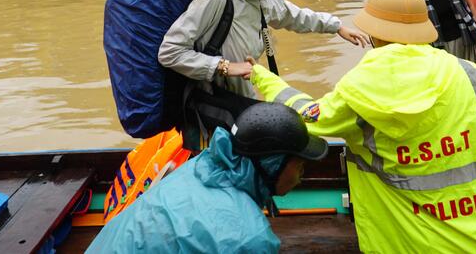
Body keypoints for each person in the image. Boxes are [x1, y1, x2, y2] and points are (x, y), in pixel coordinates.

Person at [246, 0, 476, 253]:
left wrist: (262, 77)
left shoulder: (361, 87)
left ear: (374, 34)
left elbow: (307, 118)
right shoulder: (472, 75)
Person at [158, 0, 368, 142]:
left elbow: (295, 16)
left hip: (240, 106)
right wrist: (224, 66)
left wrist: (337, 26)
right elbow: (170, 52)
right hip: (212, 115)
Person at [86, 102, 328, 254]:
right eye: (299, 164)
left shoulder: (198, 167)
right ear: (271, 165)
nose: (302, 173)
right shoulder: (248, 240)